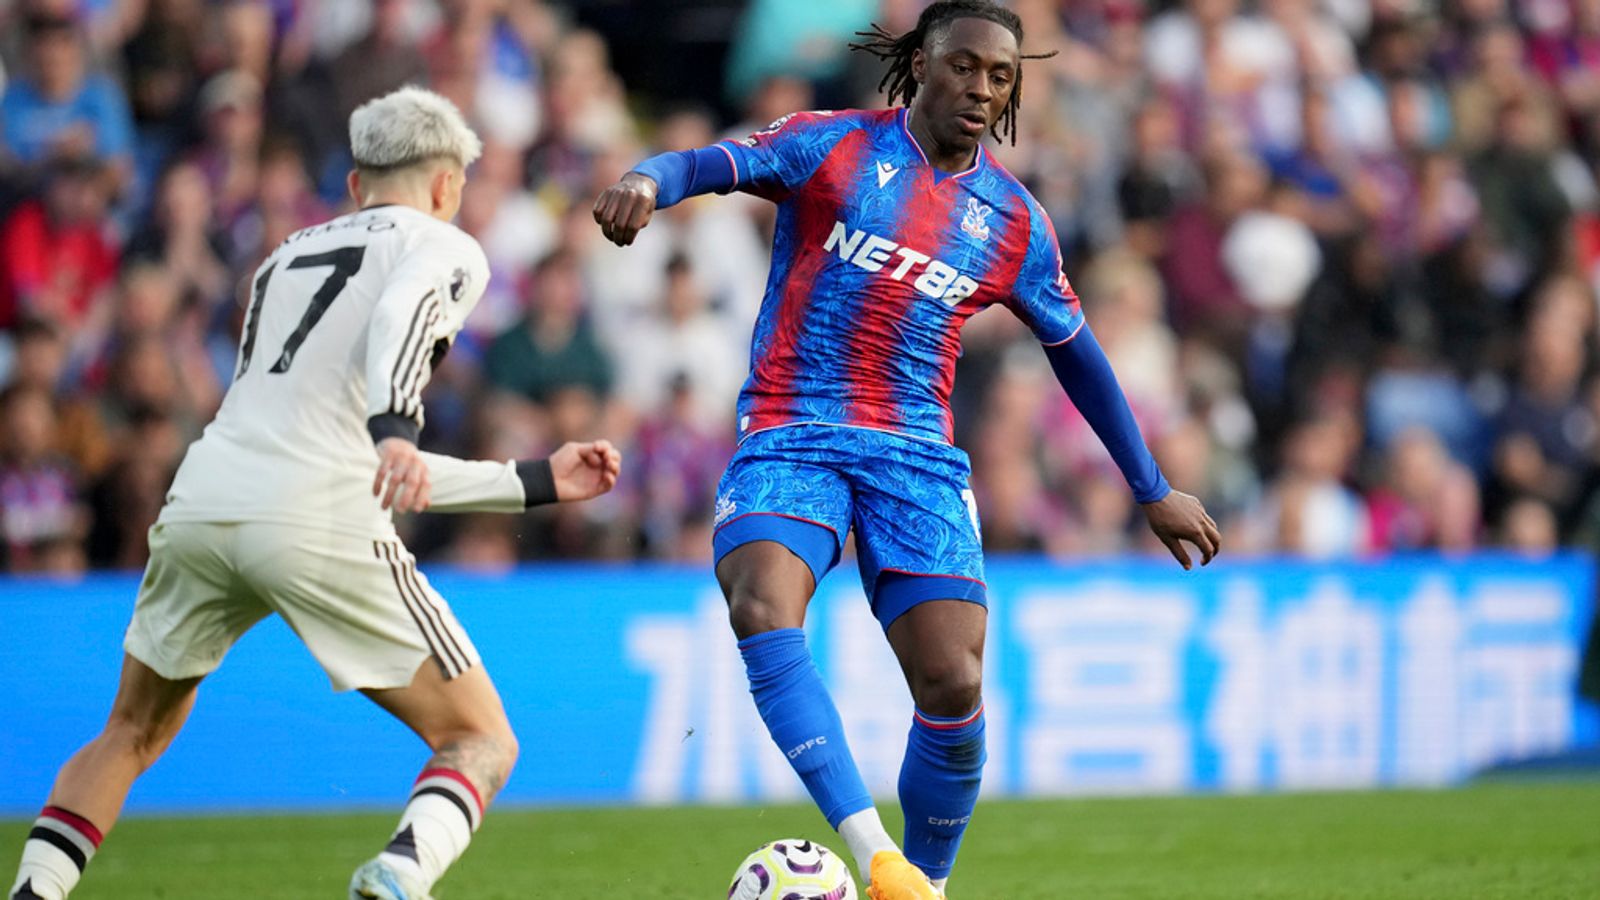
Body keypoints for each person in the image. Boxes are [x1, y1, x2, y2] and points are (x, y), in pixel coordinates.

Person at [593, 2, 1220, 898]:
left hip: (915, 456)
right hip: (792, 430)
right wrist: (649, 182)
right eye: (966, 66)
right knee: (763, 604)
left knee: (953, 682)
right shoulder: (833, 146)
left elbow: (1078, 357)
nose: (982, 88)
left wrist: (1150, 486)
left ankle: (922, 885)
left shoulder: (1012, 220)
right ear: (923, 62)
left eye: (1001, 77)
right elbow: (709, 162)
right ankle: (872, 856)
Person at [8, 87, 622, 900]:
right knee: (480, 740)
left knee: (126, 732)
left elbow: (325, 444)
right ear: (445, 184)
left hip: (203, 502)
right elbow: (395, 341)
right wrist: (397, 423)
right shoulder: (444, 246)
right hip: (316, 518)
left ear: (358, 184)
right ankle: (400, 876)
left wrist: (534, 481)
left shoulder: (282, 260)